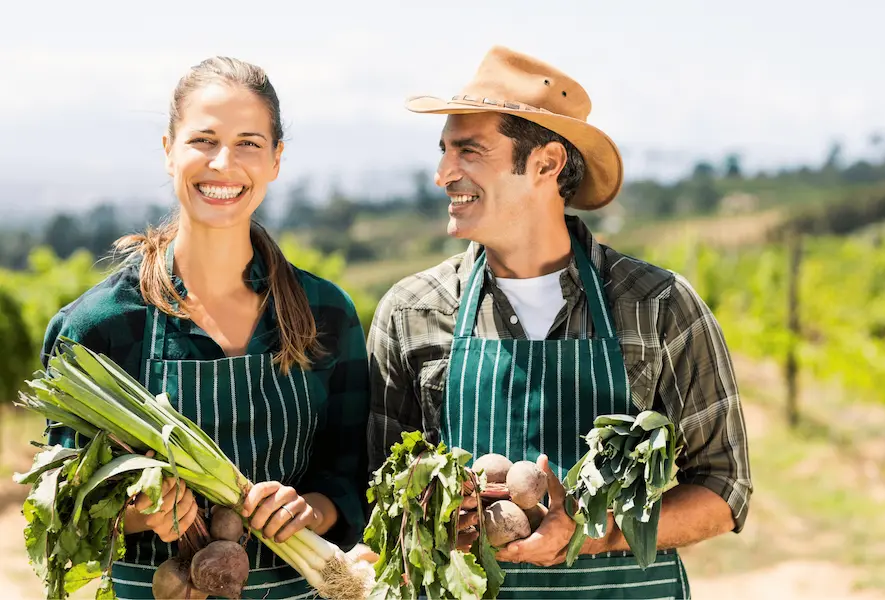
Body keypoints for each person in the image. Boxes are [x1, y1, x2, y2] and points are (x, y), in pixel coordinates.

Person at [367, 46, 752, 599]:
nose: (442, 175)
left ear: (545, 164)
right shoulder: (412, 311)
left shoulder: (659, 305)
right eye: (445, 152)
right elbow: (380, 495)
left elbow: (724, 490)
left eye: (469, 152)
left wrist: (593, 534)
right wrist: (436, 515)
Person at [40, 57, 370, 599]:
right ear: (169, 150)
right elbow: (61, 512)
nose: (224, 163)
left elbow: (352, 471)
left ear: (276, 160)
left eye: (248, 142)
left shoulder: (324, 312)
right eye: (204, 140)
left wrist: (313, 508)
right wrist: (139, 514)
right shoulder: (98, 328)